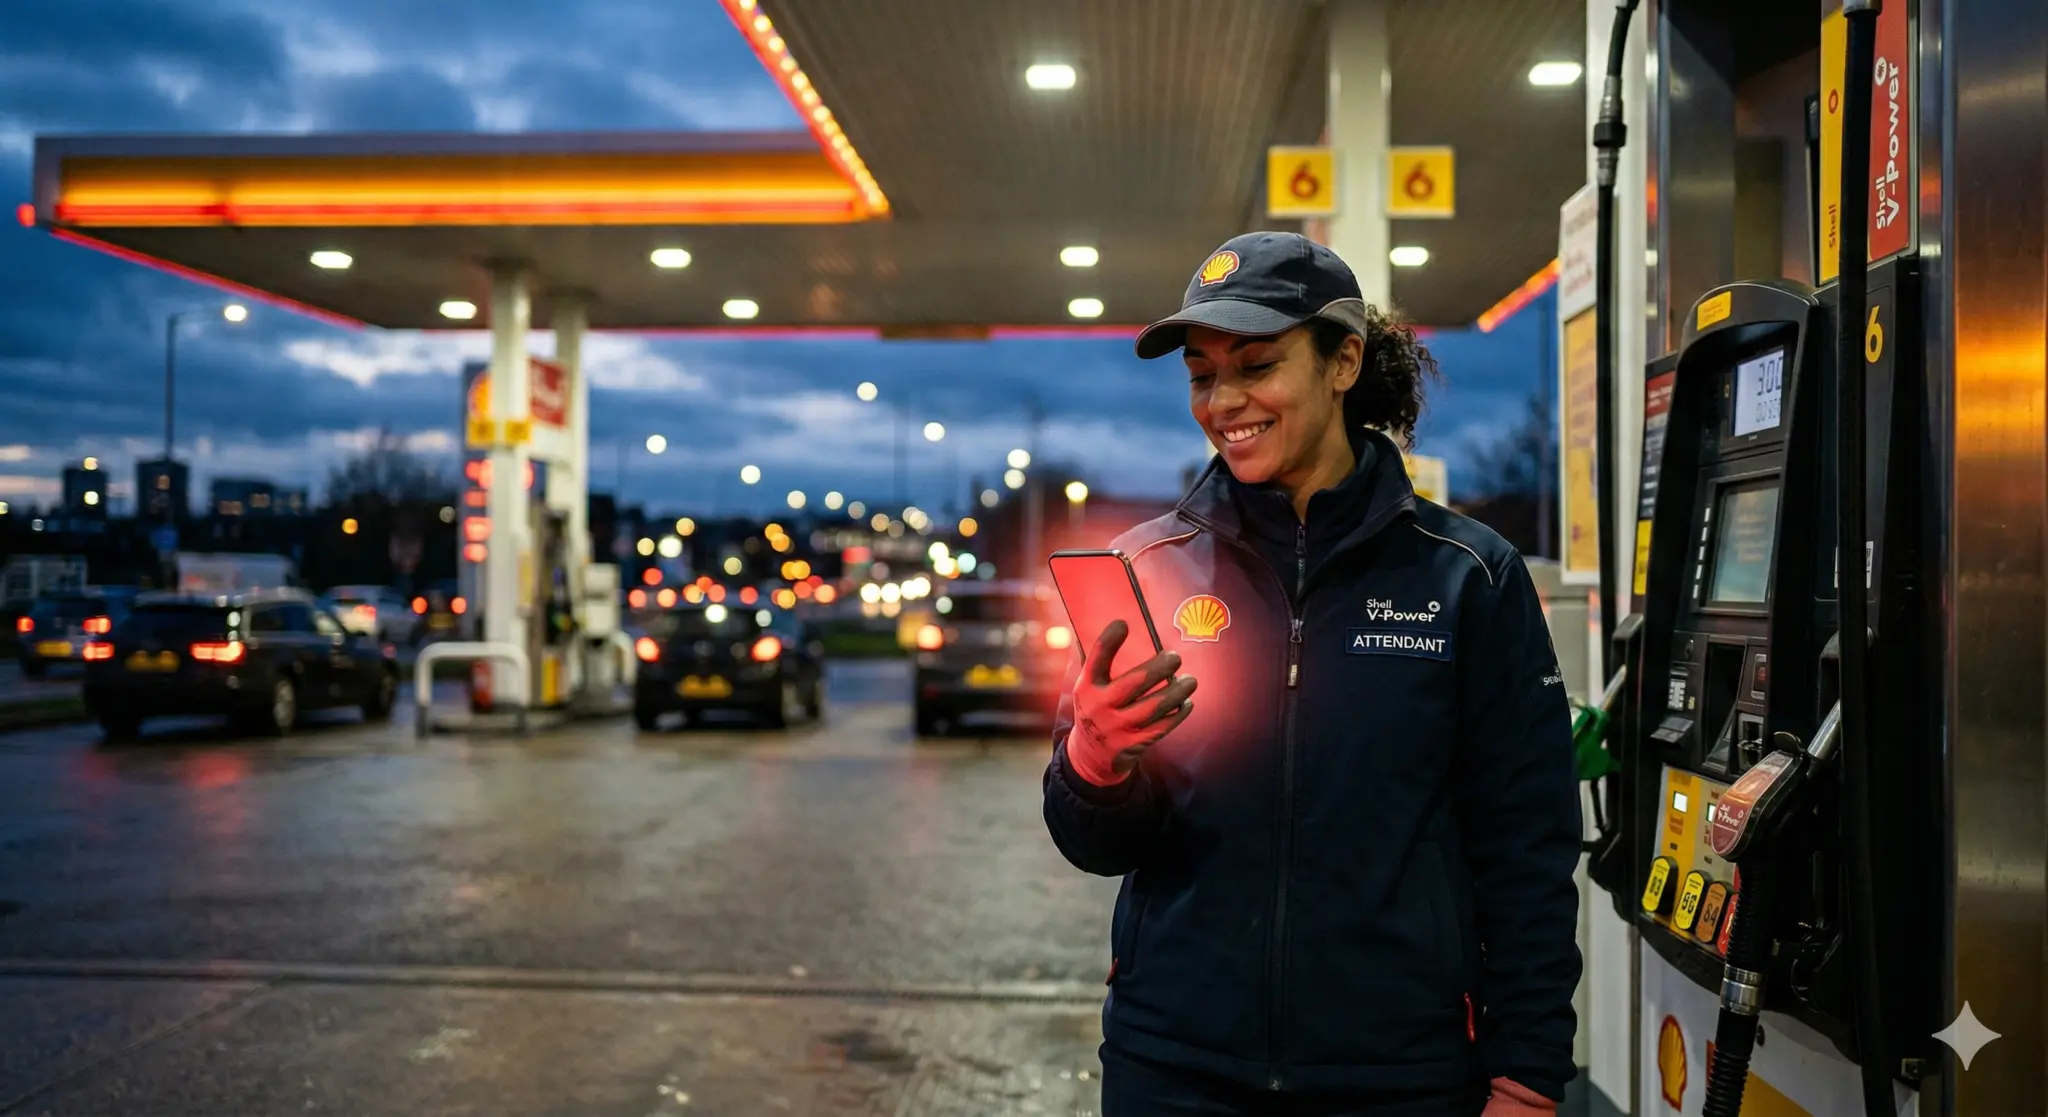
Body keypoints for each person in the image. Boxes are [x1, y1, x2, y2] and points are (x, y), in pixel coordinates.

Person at [1042, 232, 1582, 1116]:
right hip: (1174, 1065)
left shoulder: (1466, 575)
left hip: (1400, 1075)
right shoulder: (1146, 567)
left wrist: (1527, 1072)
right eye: (1201, 374)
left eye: (1256, 365)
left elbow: (1526, 844)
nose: (1224, 401)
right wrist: (1096, 760)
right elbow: (1096, 843)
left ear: (1344, 362)